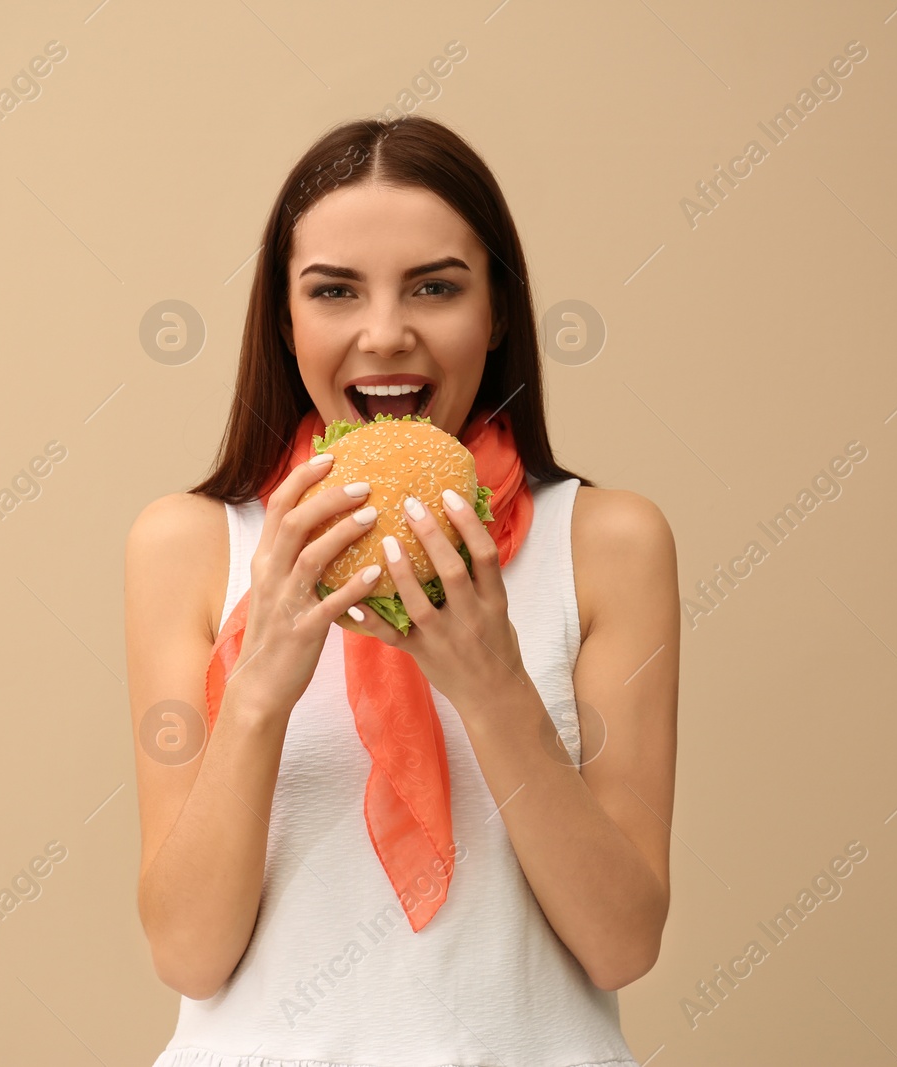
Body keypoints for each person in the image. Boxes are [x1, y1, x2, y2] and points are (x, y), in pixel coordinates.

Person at [125, 114, 680, 1066]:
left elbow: (621, 942)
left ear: (496, 311)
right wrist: (259, 686)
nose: (386, 334)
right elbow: (188, 951)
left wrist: (493, 685)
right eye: (334, 291)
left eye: (435, 286)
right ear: (285, 319)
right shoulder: (190, 545)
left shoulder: (608, 542)